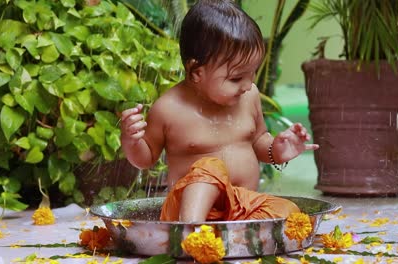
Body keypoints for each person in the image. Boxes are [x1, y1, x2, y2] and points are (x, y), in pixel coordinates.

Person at [120, 0, 319, 222]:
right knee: (210, 168)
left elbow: (258, 140)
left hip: (241, 207)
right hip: (188, 212)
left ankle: (238, 238)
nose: (247, 85)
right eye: (236, 78)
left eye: (252, 73)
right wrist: (132, 142)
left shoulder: (248, 96)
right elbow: (145, 158)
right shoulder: (168, 109)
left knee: (289, 212)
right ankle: (191, 233)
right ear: (196, 71)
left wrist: (277, 150)